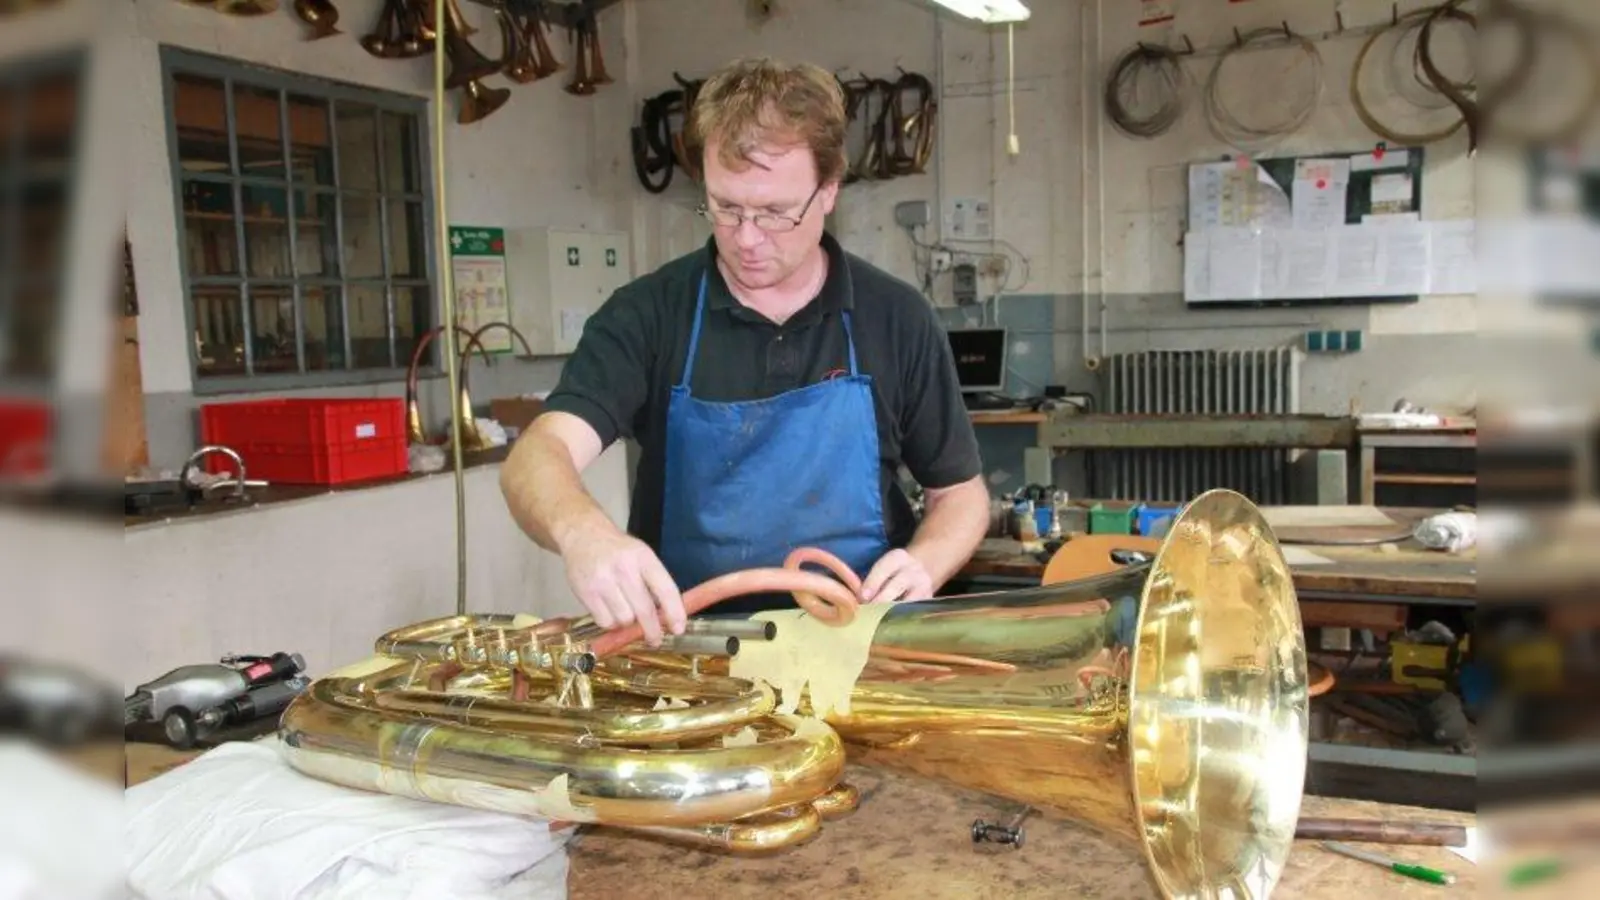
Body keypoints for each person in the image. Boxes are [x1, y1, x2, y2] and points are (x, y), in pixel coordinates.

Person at [500, 56, 991, 647]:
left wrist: (926, 562)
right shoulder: (647, 315)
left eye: (775, 213)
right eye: (726, 208)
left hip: (860, 649)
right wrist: (582, 532)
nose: (747, 239)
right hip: (690, 656)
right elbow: (538, 453)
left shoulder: (897, 318)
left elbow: (959, 494)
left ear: (828, 191)